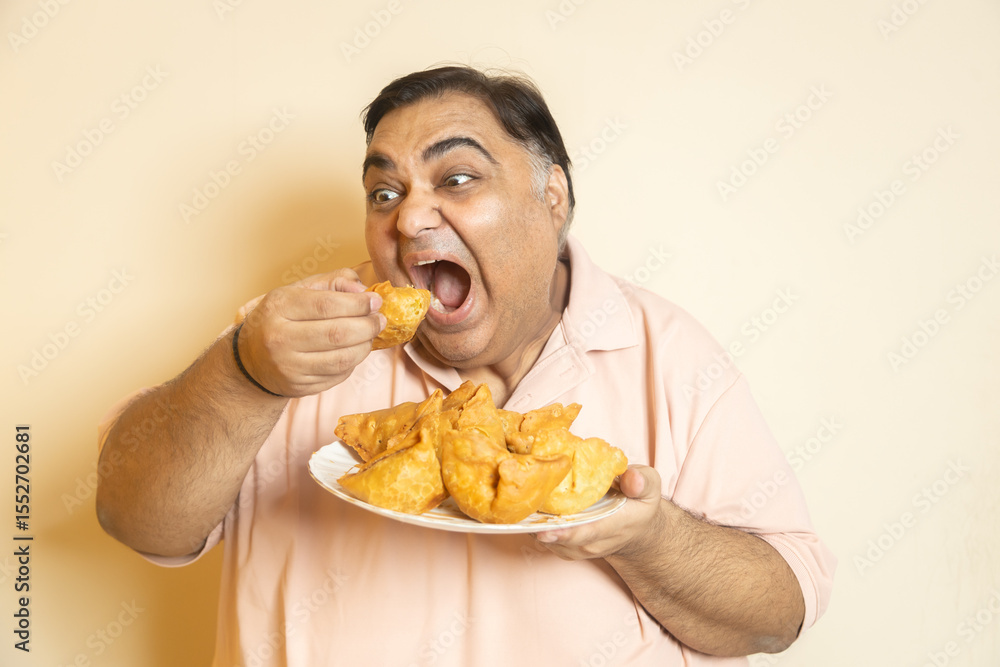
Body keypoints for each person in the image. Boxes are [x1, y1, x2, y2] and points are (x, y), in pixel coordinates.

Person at [96, 65, 835, 666]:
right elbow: (134, 518)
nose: (409, 218)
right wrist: (243, 373)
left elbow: (780, 613)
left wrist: (650, 539)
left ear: (552, 196)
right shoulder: (294, 336)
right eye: (384, 192)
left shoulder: (669, 353)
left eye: (455, 180)